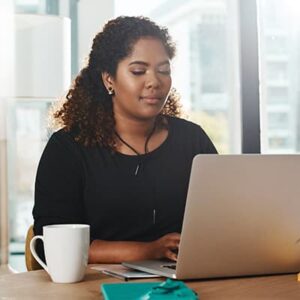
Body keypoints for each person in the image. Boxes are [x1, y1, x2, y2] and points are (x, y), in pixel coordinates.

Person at [33, 16, 217, 264]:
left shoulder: (192, 139)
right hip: (94, 286)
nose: (154, 81)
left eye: (164, 70)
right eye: (138, 71)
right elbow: (51, 243)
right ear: (109, 79)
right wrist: (148, 250)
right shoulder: (67, 148)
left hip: (182, 282)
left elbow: (223, 219)